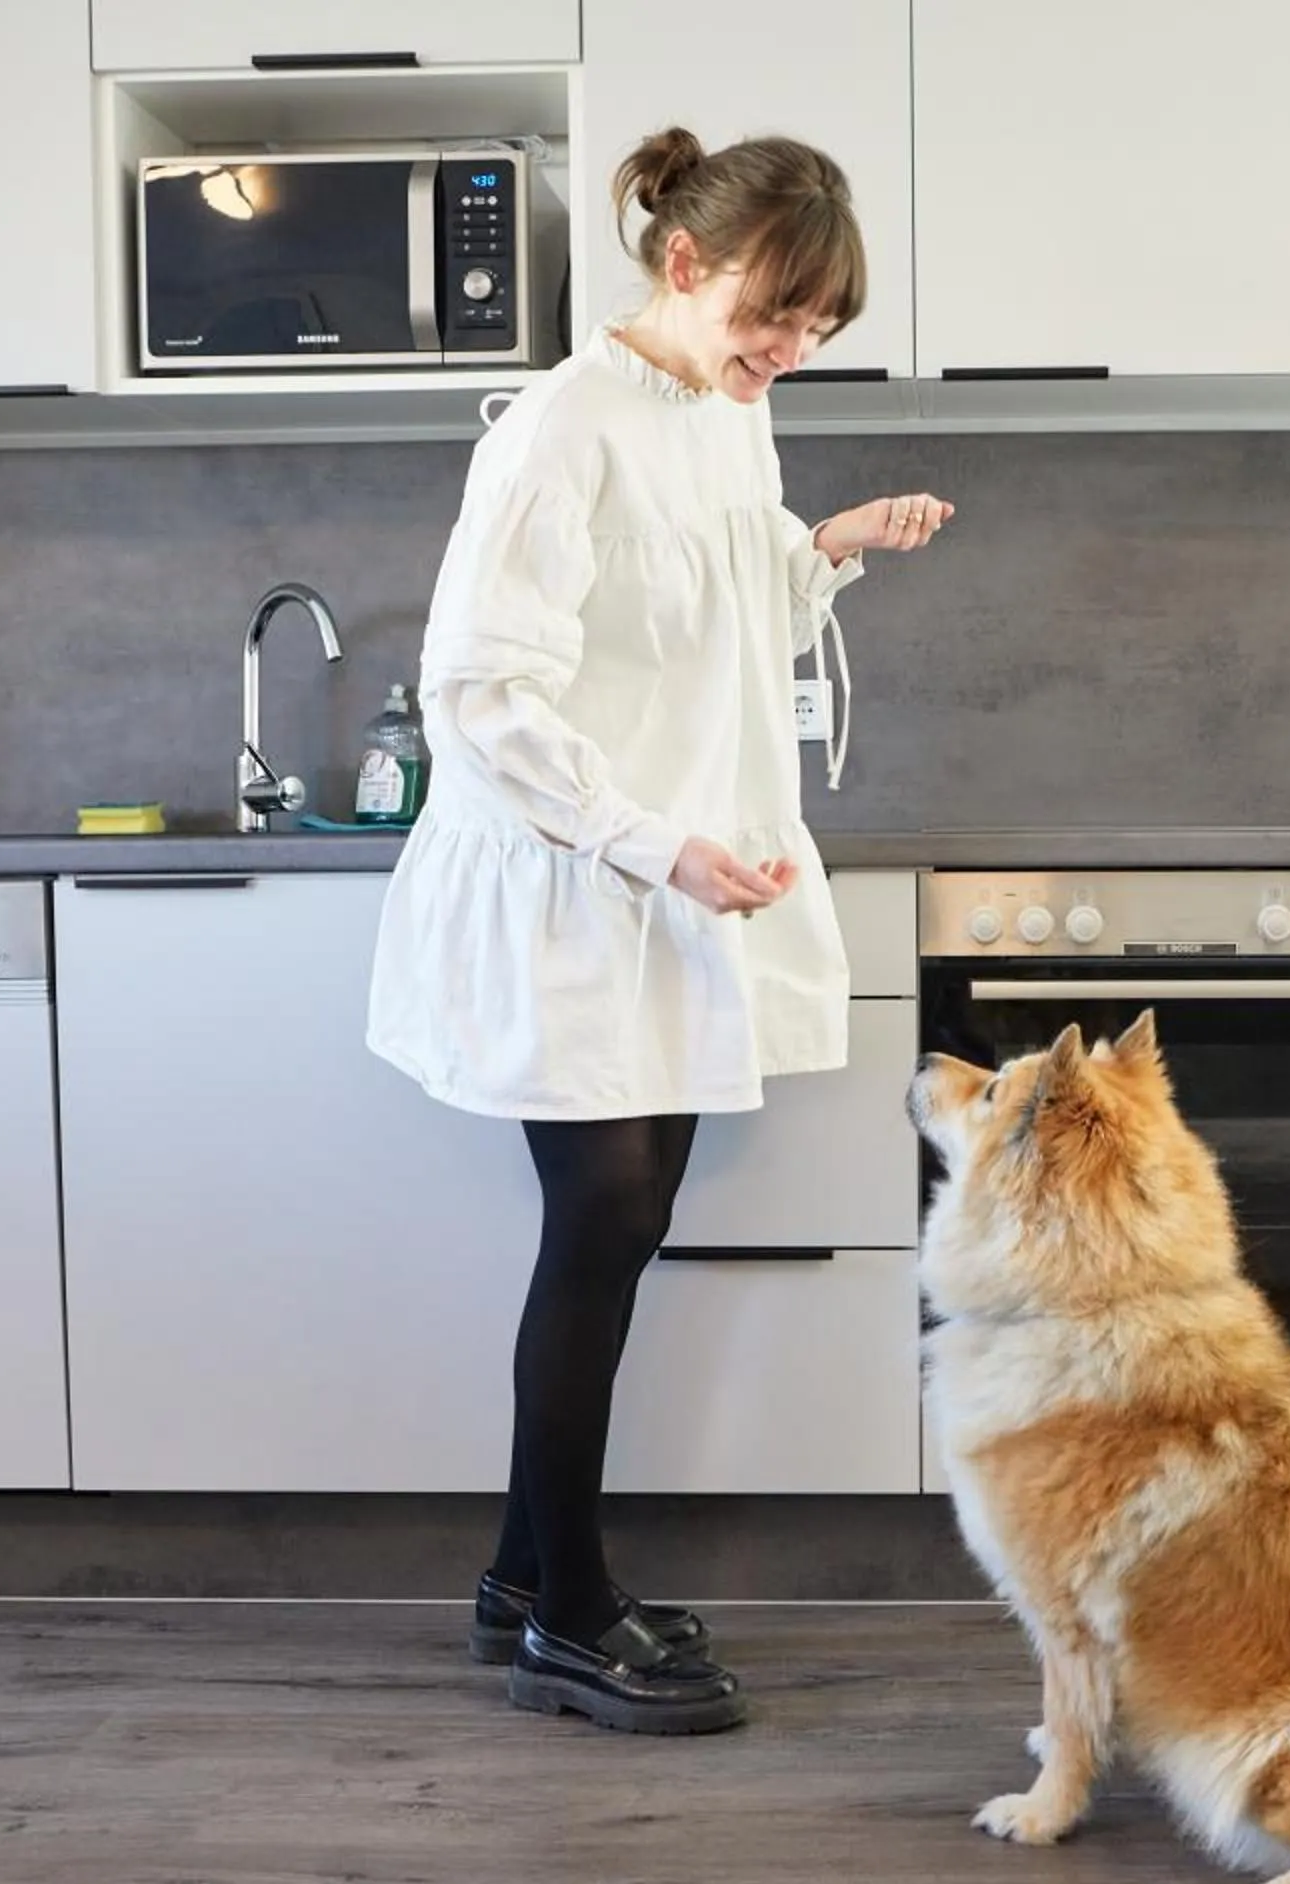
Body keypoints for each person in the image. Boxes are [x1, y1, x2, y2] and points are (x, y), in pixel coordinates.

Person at [366, 127, 952, 1736]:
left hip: (674, 879)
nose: (792, 354)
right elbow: (481, 689)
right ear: (685, 264)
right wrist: (647, 844)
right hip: (577, 882)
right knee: (602, 1224)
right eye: (778, 317)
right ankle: (568, 1612)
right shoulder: (562, 425)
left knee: (624, 1221)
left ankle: (517, 1578)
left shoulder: (721, 415)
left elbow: (727, 589)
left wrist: (828, 546)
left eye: (821, 333)